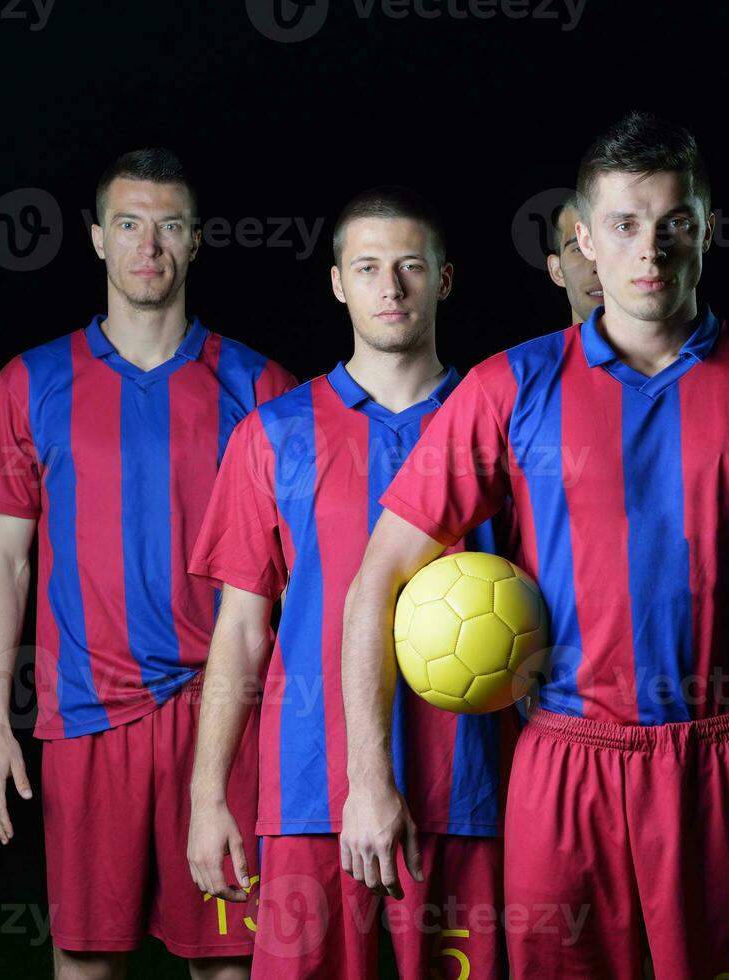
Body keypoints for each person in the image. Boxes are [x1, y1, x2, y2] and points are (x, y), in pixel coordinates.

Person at [340, 112, 729, 979]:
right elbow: (375, 579)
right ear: (586, 241)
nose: (651, 249)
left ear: (707, 230)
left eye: (675, 223)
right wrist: (368, 780)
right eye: (626, 226)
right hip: (569, 763)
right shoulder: (507, 388)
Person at [0, 147, 295, 979]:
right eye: (129, 225)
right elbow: (3, 560)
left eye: (170, 225)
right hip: (85, 715)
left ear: (196, 240)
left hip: (224, 717)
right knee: (85, 962)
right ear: (98, 240)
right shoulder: (30, 381)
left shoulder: (258, 387)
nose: (149, 246)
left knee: (226, 962)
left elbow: (303, 576)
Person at [186, 186, 516, 980]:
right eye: (367, 267)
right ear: (337, 283)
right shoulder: (272, 433)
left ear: (444, 279)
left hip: (468, 788)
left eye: (410, 266)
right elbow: (239, 630)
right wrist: (207, 798)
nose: (390, 287)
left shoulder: (505, 424)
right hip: (309, 793)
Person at [545, 194, 603, 324]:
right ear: (557, 270)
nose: (598, 268)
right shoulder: (542, 346)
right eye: (579, 249)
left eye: (609, 246)